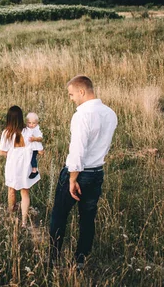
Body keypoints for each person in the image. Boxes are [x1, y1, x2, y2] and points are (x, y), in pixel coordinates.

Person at [49, 75, 117, 270]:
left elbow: (78, 150)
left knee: (60, 215)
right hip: (97, 173)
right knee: (87, 218)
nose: (71, 99)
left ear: (82, 91)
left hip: (79, 173)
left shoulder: (82, 115)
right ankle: (80, 260)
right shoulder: (110, 114)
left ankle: (54, 259)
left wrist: (72, 178)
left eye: (71, 94)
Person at [0, 105, 40, 228]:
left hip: (13, 165)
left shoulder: (7, 133)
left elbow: (2, 152)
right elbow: (36, 147)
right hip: (26, 165)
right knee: (25, 192)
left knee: (11, 190)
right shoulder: (28, 131)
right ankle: (23, 221)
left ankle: (11, 215)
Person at [23, 112, 44, 179]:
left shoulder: (36, 129)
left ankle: (34, 171)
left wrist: (35, 138)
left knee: (33, 158)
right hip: (28, 147)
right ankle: (27, 171)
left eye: (33, 123)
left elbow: (40, 138)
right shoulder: (26, 129)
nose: (31, 125)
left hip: (35, 147)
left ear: (37, 123)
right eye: (29, 123)